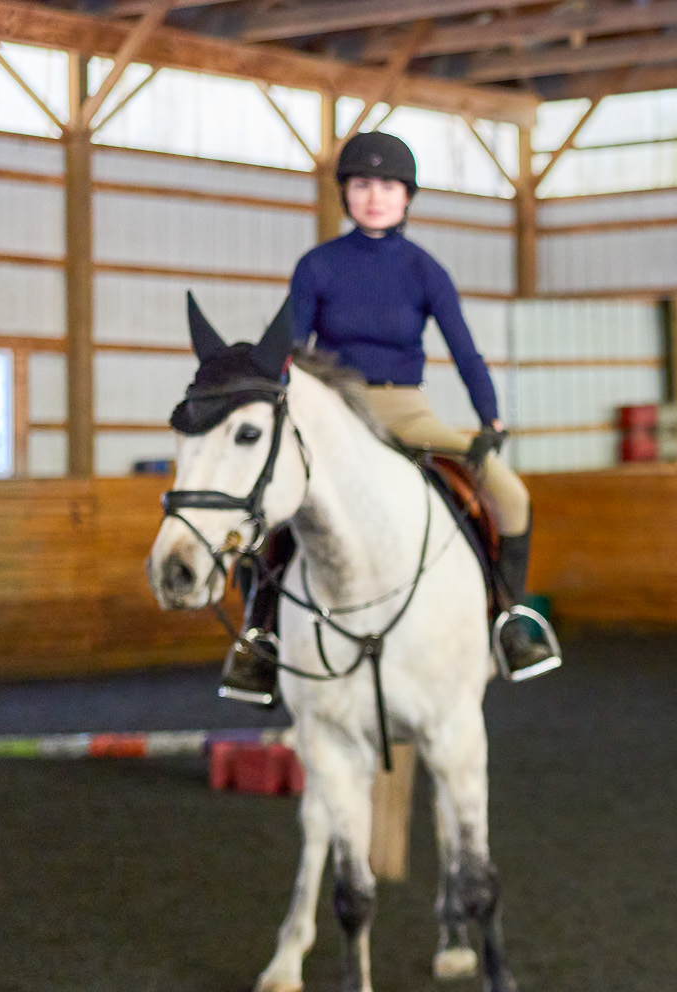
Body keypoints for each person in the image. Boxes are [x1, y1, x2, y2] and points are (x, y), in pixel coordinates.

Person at [221, 130, 557, 704]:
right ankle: (261, 636)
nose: (374, 196)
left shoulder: (425, 271)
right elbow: (290, 351)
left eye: (387, 186)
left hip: (407, 409)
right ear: (346, 195)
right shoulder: (316, 267)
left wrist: (490, 419)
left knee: (512, 496)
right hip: (336, 409)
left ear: (407, 196)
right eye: (361, 185)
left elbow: (464, 348)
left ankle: (508, 619)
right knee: (273, 507)